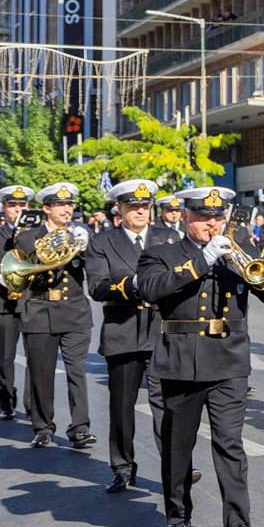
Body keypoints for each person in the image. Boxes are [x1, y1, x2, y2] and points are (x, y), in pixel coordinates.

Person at [137, 186, 264, 527]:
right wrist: (203, 260)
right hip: (179, 362)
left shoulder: (238, 252)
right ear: (187, 216)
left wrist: (250, 273)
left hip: (228, 359)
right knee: (178, 445)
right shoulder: (160, 253)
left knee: (230, 444)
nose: (212, 224)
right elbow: (153, 289)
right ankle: (177, 516)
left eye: (218, 217)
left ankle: (238, 526)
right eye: (204, 217)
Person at [86, 179, 167, 492]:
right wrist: (132, 286)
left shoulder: (167, 237)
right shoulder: (102, 242)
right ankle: (122, 466)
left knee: (167, 405)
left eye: (144, 207)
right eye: (133, 207)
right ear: (118, 209)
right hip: (124, 331)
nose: (140, 212)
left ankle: (174, 464)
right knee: (122, 407)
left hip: (162, 331)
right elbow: (96, 286)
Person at [13, 183, 96, 451]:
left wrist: (85, 248)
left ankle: (80, 427)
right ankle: (43, 427)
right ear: (47, 208)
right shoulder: (28, 236)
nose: (67, 209)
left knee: (76, 371)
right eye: (60, 205)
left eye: (70, 205)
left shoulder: (83, 233)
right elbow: (36, 260)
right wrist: (64, 244)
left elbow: (95, 262)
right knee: (41, 372)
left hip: (74, 310)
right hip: (40, 310)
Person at [0, 189, 33, 419]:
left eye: (22, 204)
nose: (18, 209)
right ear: (4, 208)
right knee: (5, 357)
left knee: (36, 357)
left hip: (33, 302)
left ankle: (34, 406)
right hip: (3, 302)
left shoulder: (38, 233)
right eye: (13, 205)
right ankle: (6, 400)